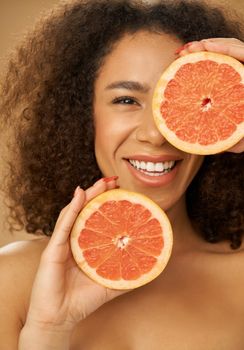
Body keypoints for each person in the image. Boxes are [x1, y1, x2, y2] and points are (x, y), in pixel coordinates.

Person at [0, 0, 244, 349]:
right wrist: (49, 329)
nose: (155, 134)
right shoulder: (11, 281)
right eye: (127, 100)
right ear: (83, 116)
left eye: (178, 104)